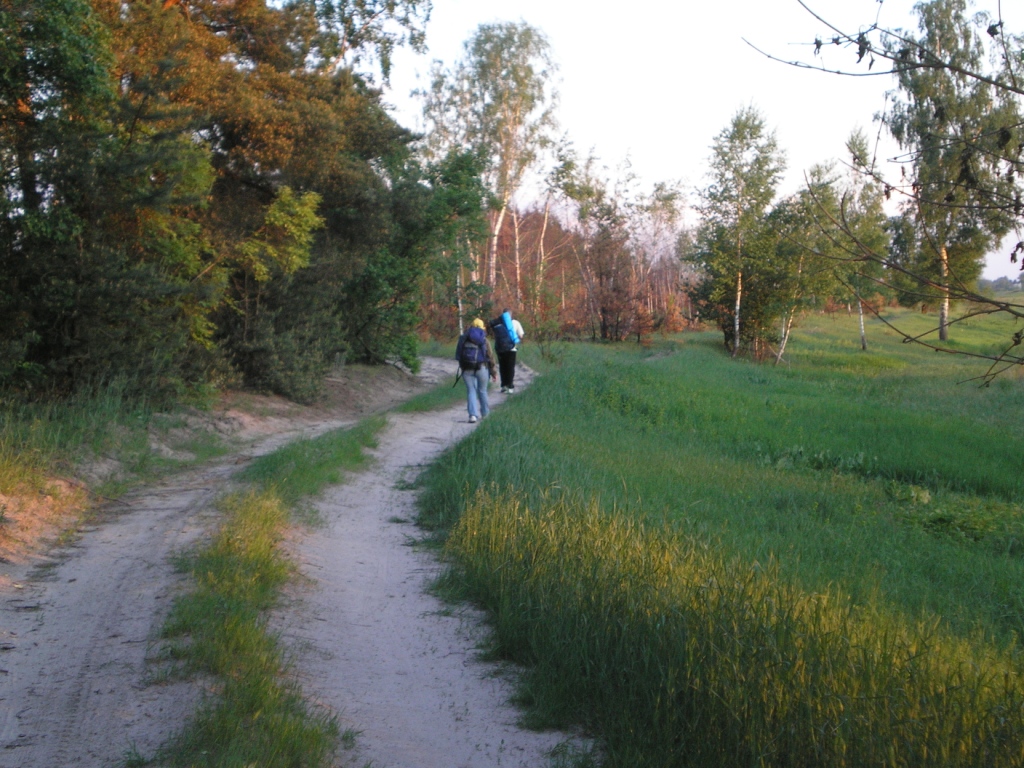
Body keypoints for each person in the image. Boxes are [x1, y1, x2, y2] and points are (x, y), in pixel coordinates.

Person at [455, 318, 496, 423]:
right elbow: (490, 357)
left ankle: (472, 415)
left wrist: (462, 366)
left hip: (467, 368)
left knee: (471, 391)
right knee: (482, 391)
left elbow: (458, 355)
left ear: (471, 326)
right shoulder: (484, 340)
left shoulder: (463, 338)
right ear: (482, 328)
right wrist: (493, 372)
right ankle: (485, 414)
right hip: (481, 367)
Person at [492, 309, 525, 394]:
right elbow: (521, 336)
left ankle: (503, 386)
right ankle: (510, 386)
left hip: (500, 349)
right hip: (512, 349)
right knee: (510, 367)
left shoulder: (498, 323)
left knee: (502, 367)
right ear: (511, 314)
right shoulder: (516, 323)